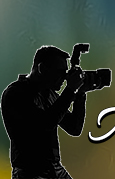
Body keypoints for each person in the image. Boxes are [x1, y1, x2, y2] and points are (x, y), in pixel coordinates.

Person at [2, 46, 95, 179]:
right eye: (60, 72)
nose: (64, 78)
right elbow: (44, 124)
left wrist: (80, 94)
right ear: (41, 69)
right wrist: (70, 90)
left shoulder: (49, 94)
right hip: (29, 172)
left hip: (54, 169)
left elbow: (74, 128)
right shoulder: (15, 93)